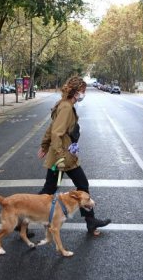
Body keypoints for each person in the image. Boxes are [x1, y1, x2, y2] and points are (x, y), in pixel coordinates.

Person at [37, 76, 111, 236]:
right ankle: (22, 217)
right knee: (50, 190)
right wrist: (60, 156)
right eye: (83, 91)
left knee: (76, 185)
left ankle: (91, 222)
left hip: (66, 156)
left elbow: (51, 128)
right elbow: (56, 132)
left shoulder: (64, 105)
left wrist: (44, 145)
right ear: (76, 91)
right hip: (63, 157)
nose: (84, 94)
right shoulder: (66, 108)